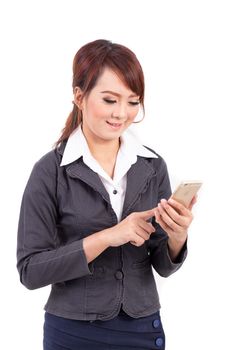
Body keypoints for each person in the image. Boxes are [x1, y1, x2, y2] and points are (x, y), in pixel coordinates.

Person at [17, 39, 196, 350]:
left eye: (132, 101)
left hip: (142, 329)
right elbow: (31, 270)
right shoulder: (50, 171)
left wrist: (177, 236)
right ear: (79, 96)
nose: (121, 114)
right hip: (73, 333)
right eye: (110, 100)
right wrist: (108, 236)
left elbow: (163, 265)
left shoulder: (153, 166)